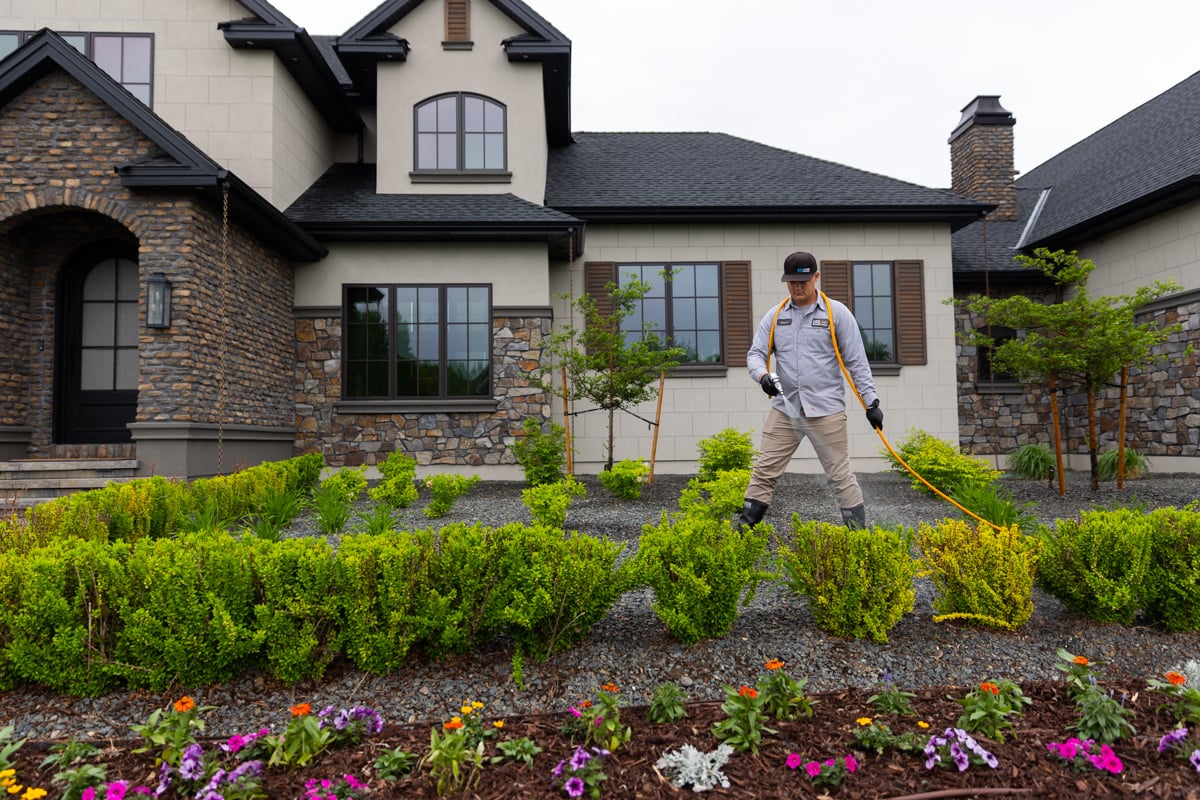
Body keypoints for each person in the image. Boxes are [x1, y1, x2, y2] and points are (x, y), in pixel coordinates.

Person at [732, 251, 884, 530]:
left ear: (816, 277)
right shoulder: (775, 316)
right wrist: (763, 376)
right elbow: (754, 354)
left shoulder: (836, 313)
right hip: (785, 410)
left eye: (803, 281)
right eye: (791, 282)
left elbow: (857, 361)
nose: (797, 287)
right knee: (764, 471)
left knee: (840, 475)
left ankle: (859, 537)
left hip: (826, 410)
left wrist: (871, 402)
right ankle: (743, 533)